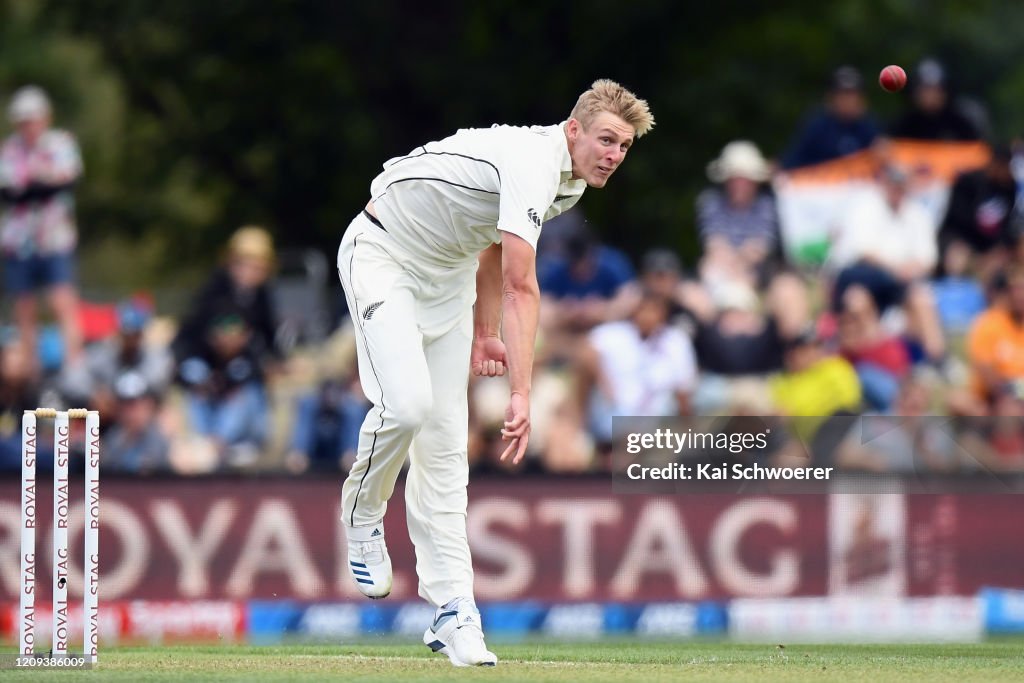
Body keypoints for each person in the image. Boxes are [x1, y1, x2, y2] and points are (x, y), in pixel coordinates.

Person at [336, 79, 653, 667]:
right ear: (574, 129)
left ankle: (455, 611)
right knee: (406, 407)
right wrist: (523, 394)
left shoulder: (571, 186)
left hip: (449, 279)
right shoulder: (535, 163)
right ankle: (362, 513)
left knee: (446, 450)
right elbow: (521, 284)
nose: (614, 155)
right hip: (382, 255)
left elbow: (486, 248)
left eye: (625, 147)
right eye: (606, 139)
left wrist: (484, 331)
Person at [0, 86, 84, 371]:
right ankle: (30, 370)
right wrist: (40, 184)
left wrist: (36, 185)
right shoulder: (9, 149)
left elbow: (66, 179)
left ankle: (74, 365)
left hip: (54, 238)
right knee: (24, 308)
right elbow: (10, 191)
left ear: (45, 118)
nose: (29, 127)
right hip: (18, 241)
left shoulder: (60, 143)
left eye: (33, 119)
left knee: (61, 301)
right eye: (23, 121)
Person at [697, 140, 781, 288]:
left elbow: (760, 247)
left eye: (744, 180)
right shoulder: (711, 202)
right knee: (708, 267)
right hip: (722, 266)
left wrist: (738, 266)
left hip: (757, 273)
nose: (739, 185)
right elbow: (714, 243)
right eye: (734, 179)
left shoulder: (767, 204)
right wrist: (731, 267)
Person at [781, 66, 880, 170]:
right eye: (842, 94)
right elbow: (792, 160)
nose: (848, 101)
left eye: (852, 95)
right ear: (831, 98)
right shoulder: (817, 127)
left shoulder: (869, 127)